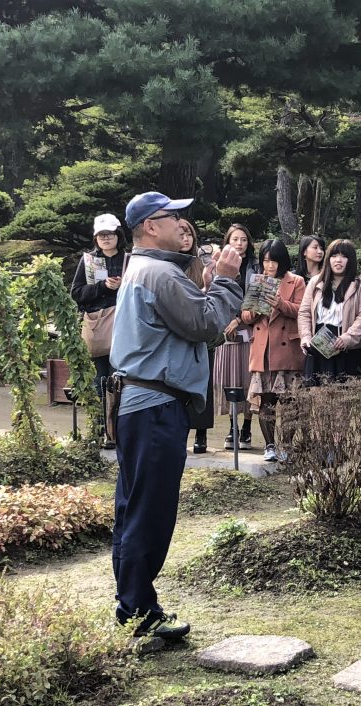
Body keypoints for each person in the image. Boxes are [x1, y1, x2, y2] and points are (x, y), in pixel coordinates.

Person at [109, 191, 242, 650]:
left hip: (140, 404)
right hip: (155, 407)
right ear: (149, 226)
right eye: (172, 216)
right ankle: (138, 613)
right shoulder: (159, 273)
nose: (181, 222)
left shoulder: (145, 269)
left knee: (134, 506)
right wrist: (225, 280)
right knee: (150, 510)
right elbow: (206, 324)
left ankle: (135, 607)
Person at [243, 239, 306, 462]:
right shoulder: (258, 282)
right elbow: (246, 316)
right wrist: (256, 307)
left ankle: (286, 446)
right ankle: (269, 446)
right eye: (266, 261)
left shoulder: (296, 281)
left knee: (289, 401)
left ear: (283, 261)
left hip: (287, 348)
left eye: (274, 261)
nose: (270, 266)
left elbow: (301, 310)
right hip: (263, 348)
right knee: (265, 401)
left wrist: (279, 303)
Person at [71, 213, 130, 448]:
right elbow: (77, 294)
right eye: (101, 235)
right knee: (99, 381)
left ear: (118, 235)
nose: (106, 239)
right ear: (96, 238)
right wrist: (103, 287)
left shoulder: (129, 260)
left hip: (123, 327)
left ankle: (116, 432)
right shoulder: (88, 261)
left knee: (120, 380)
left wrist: (121, 287)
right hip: (97, 326)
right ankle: (99, 429)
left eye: (110, 234)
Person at [298, 238, 361, 383]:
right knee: (316, 393)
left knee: (343, 395)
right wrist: (306, 336)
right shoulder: (315, 282)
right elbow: (304, 312)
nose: (338, 260)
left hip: (346, 348)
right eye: (334, 256)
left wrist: (347, 338)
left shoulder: (360, 285)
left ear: (350, 260)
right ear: (328, 258)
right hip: (318, 345)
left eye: (344, 256)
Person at [211, 224, 259, 449]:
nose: (239, 244)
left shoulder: (255, 268)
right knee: (228, 378)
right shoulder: (217, 266)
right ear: (227, 242)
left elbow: (258, 300)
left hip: (248, 329)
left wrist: (239, 318)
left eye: (243, 240)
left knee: (248, 380)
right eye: (235, 240)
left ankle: (247, 427)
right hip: (224, 331)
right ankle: (232, 426)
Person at [179, 219, 216, 454]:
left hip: (200, 332)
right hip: (177, 334)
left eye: (188, 235)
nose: (185, 239)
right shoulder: (166, 265)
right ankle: (181, 429)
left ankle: (201, 432)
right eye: (180, 234)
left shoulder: (200, 263)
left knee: (203, 383)